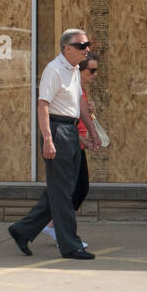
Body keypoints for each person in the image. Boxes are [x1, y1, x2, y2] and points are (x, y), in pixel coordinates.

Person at [7, 28, 96, 260]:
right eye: (81, 46)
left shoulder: (75, 69)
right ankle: (70, 245)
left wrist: (93, 132)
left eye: (88, 45)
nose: (87, 49)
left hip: (70, 129)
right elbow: (43, 105)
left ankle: (22, 230)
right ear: (67, 48)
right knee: (62, 193)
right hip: (57, 131)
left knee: (64, 189)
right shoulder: (54, 70)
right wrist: (48, 139)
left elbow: (79, 103)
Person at [40, 52, 102, 247]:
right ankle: (57, 230)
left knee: (72, 190)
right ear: (80, 70)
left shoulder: (81, 91)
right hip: (70, 144)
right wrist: (84, 139)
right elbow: (65, 125)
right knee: (72, 191)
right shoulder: (70, 88)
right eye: (91, 70)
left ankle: (32, 227)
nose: (95, 74)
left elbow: (80, 120)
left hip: (77, 144)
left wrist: (91, 120)